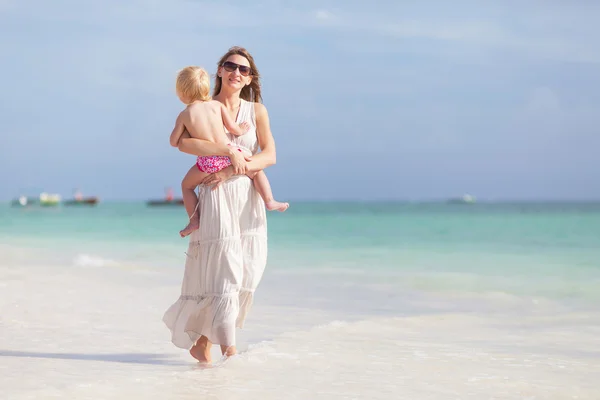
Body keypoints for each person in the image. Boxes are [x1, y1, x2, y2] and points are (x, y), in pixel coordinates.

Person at [163, 46, 278, 363]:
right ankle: (230, 352)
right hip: (216, 197)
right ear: (219, 70)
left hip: (247, 196)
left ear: (249, 77)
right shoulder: (205, 107)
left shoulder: (256, 111)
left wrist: (232, 165)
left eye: (243, 69)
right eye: (230, 66)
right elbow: (183, 144)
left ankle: (203, 341)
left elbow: (269, 156)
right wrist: (227, 151)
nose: (236, 72)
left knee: (247, 272)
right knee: (223, 272)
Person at [169, 66, 289, 238]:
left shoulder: (184, 114)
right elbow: (234, 129)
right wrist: (241, 128)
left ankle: (194, 219)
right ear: (204, 88)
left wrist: (184, 130)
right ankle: (269, 201)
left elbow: (174, 142)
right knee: (256, 171)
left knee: (186, 186)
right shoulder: (216, 106)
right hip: (232, 154)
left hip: (208, 162)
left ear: (181, 93)